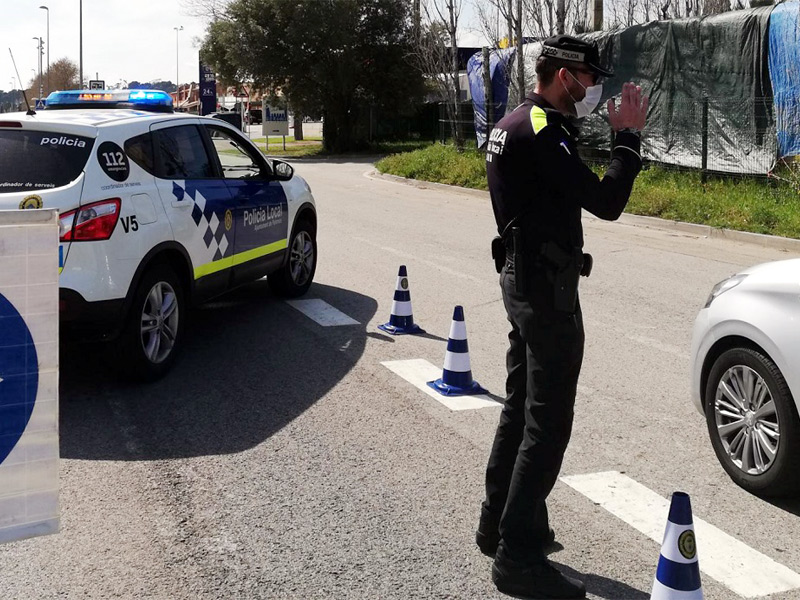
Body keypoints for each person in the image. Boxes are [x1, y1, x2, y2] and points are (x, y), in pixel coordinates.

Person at [478, 34, 649, 599]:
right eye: (589, 79)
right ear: (562, 77)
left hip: (523, 280)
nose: (594, 88)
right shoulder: (542, 130)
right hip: (545, 291)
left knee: (520, 404)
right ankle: (516, 558)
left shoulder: (510, 122)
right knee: (547, 423)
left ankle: (498, 521)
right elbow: (606, 202)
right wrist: (628, 139)